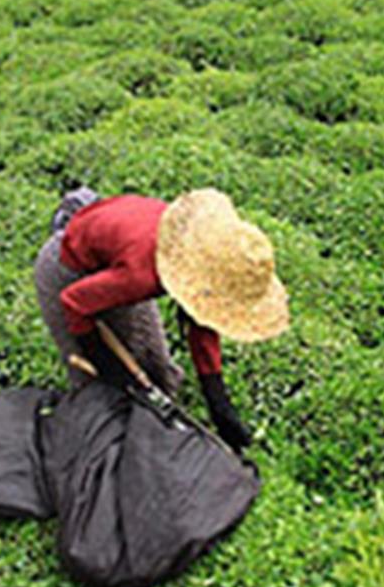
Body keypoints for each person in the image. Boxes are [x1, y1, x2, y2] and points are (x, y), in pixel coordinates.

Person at [34, 186, 288, 452]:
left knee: (157, 368)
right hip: (65, 272)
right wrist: (105, 363)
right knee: (100, 392)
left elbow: (201, 321)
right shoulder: (142, 276)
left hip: (114, 263)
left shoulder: (198, 255)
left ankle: (154, 443)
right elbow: (74, 303)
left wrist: (217, 399)